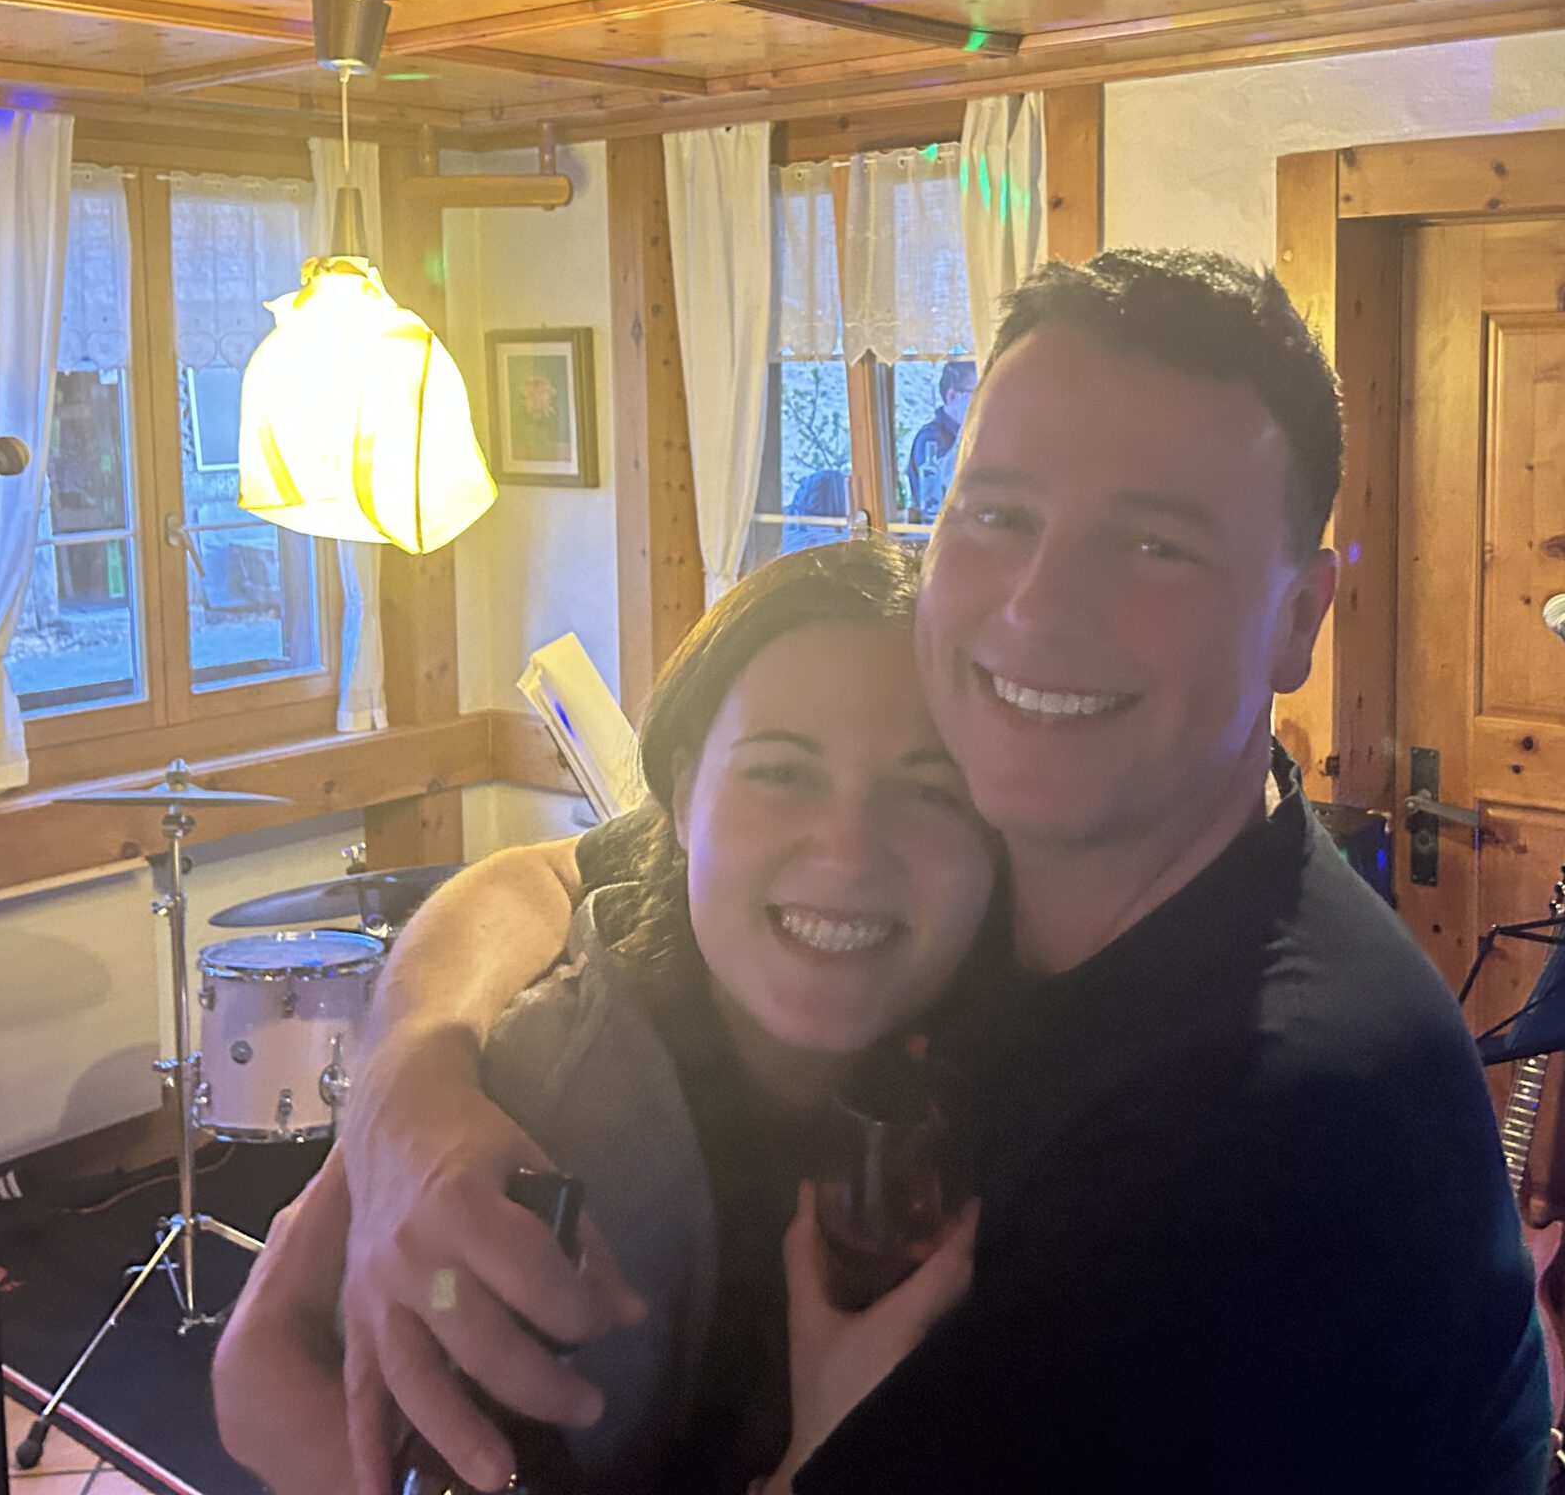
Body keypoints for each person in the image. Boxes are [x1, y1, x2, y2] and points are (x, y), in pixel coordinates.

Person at [236, 248, 1550, 1493]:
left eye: (1154, 545)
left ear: (1299, 617)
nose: (1037, 605)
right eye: (997, 514)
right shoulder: (1012, 842)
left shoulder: (1264, 1144)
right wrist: (412, 1087)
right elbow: (565, 873)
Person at [213, 538, 995, 1495]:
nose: (849, 850)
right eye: (782, 774)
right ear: (680, 800)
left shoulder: (1024, 1071)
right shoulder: (543, 1098)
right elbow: (272, 1373)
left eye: (930, 789)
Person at [905, 359, 976, 526]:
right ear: (952, 396)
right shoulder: (929, 437)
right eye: (976, 393)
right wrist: (969, 424)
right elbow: (949, 483)